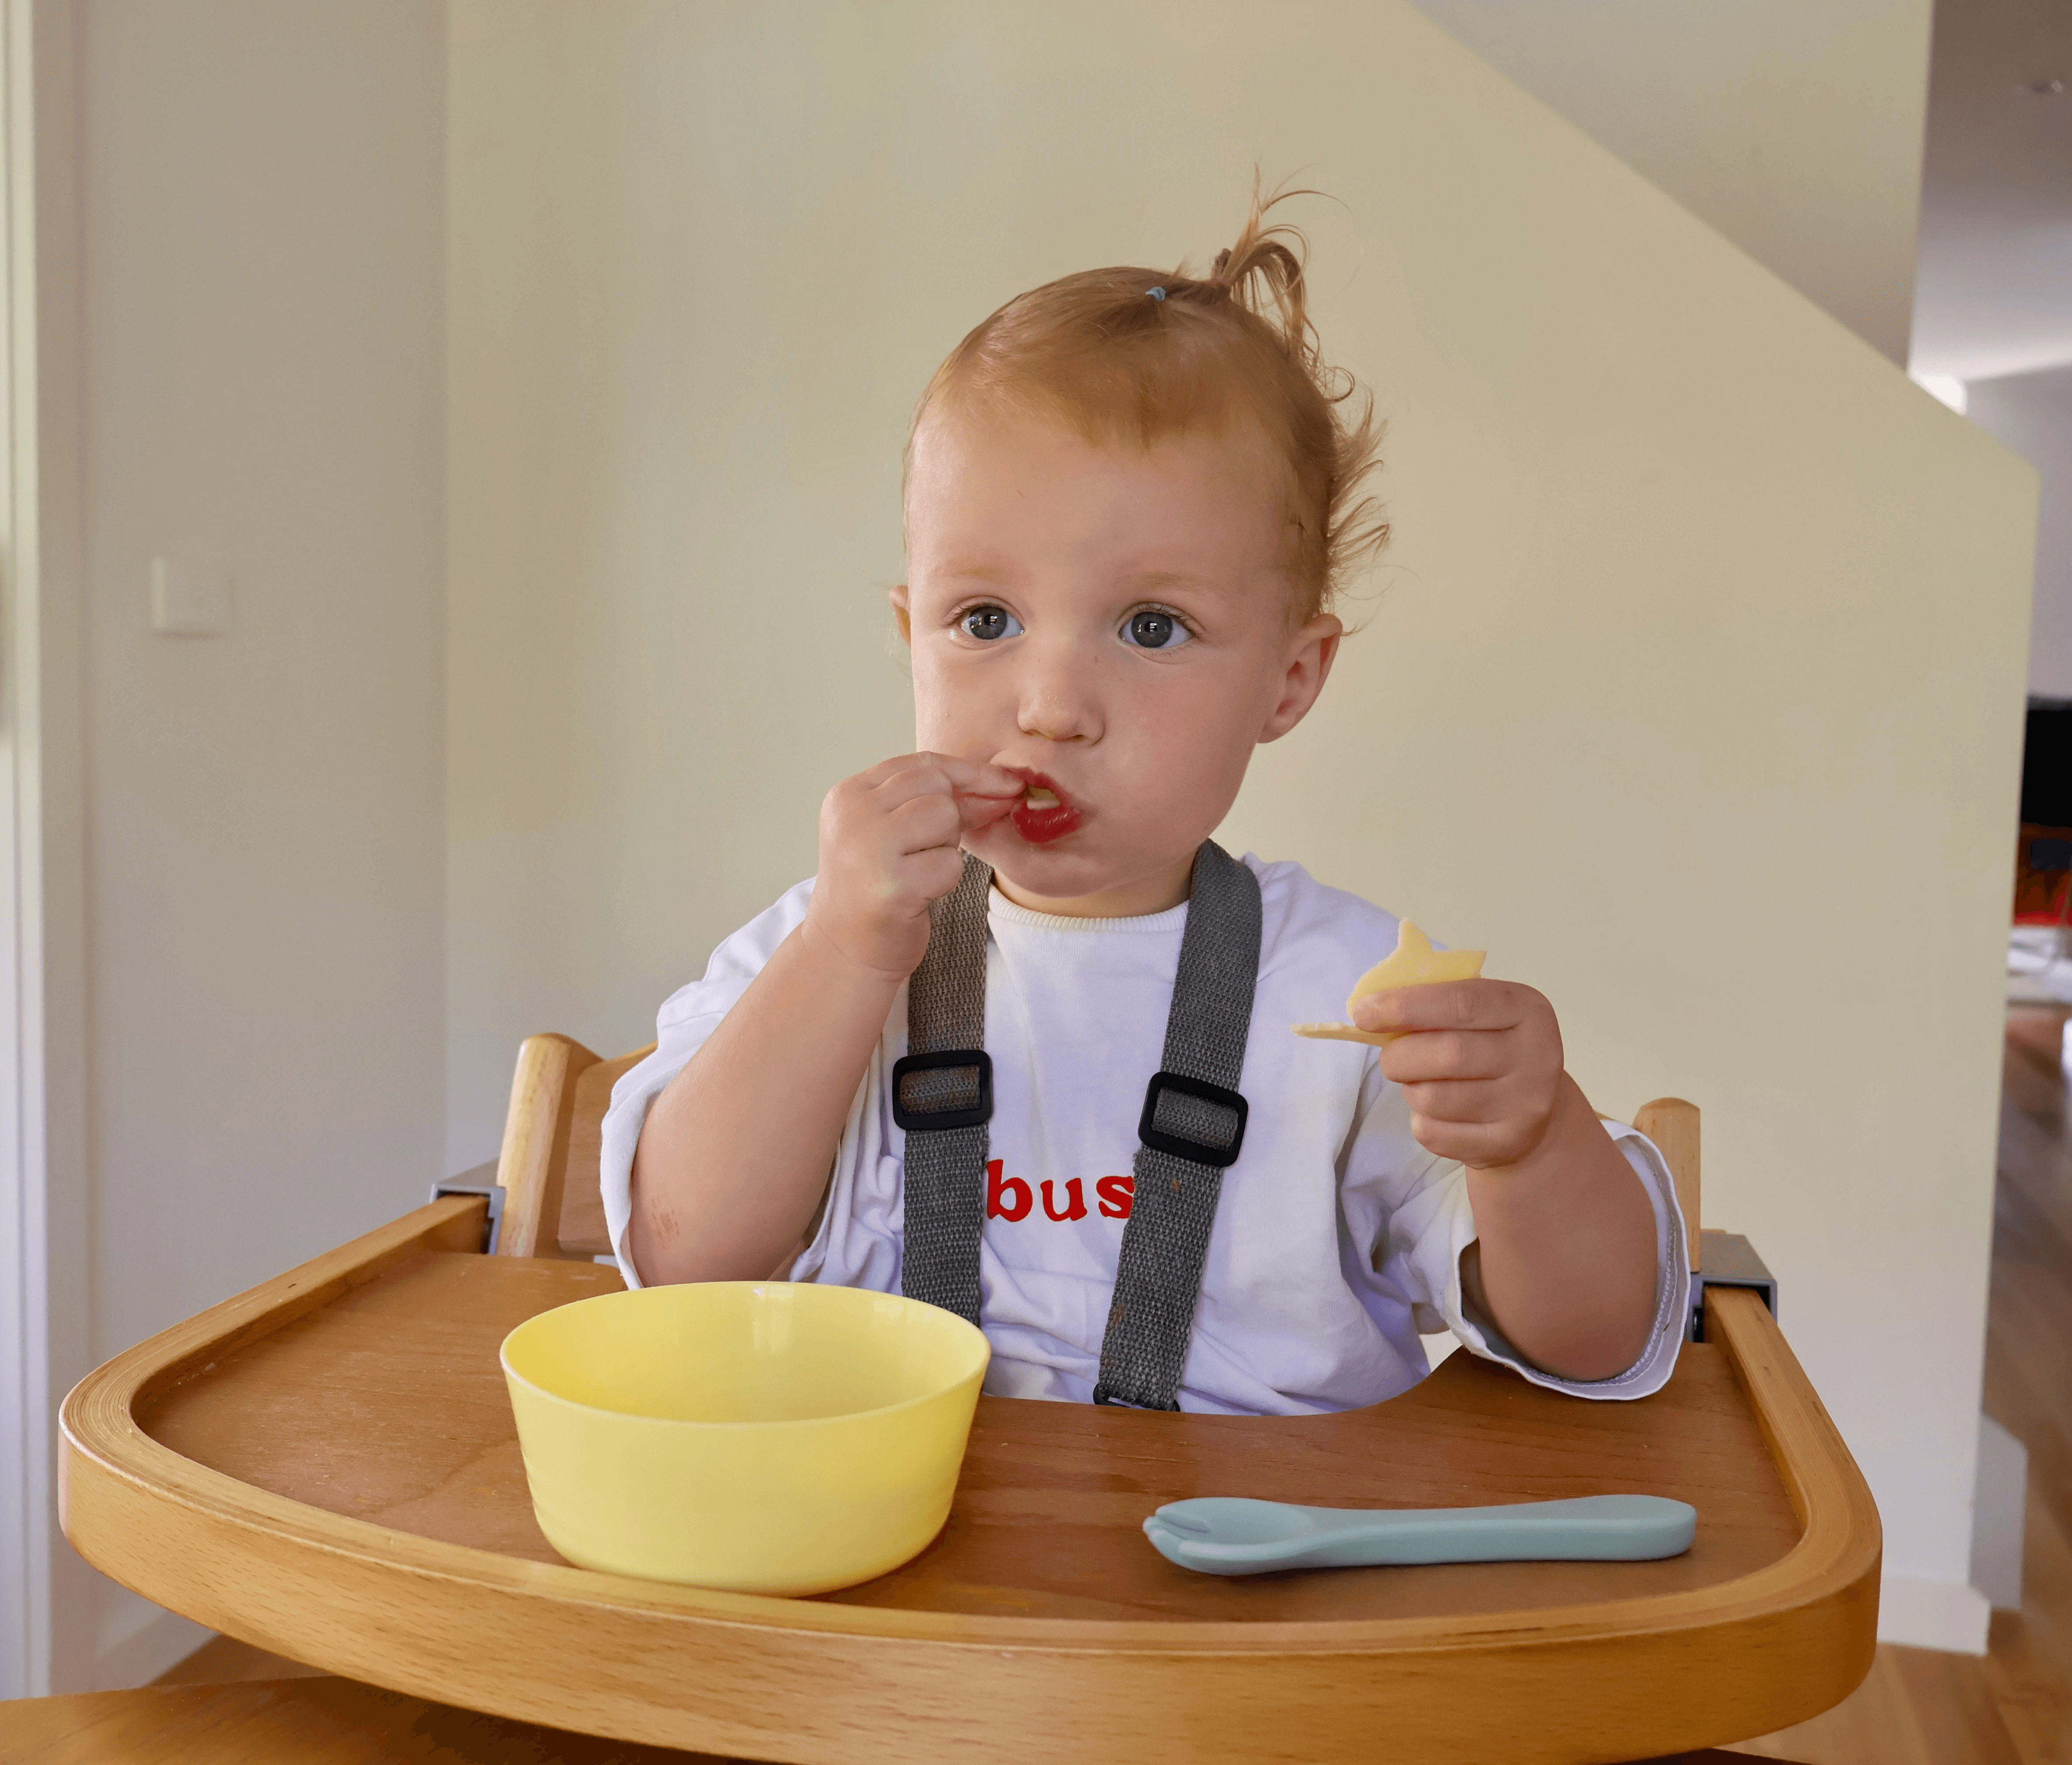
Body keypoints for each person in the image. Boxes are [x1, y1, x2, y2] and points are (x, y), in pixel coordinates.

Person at [599, 186, 1685, 1416]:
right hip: (880, 1571)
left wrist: (1532, 1143)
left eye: (1151, 627)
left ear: (1289, 679)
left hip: (1247, 1582)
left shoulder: (1353, 996)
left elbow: (1594, 1343)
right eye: (984, 621)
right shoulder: (823, 948)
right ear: (910, 638)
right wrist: (842, 953)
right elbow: (686, 1262)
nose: (1051, 704)